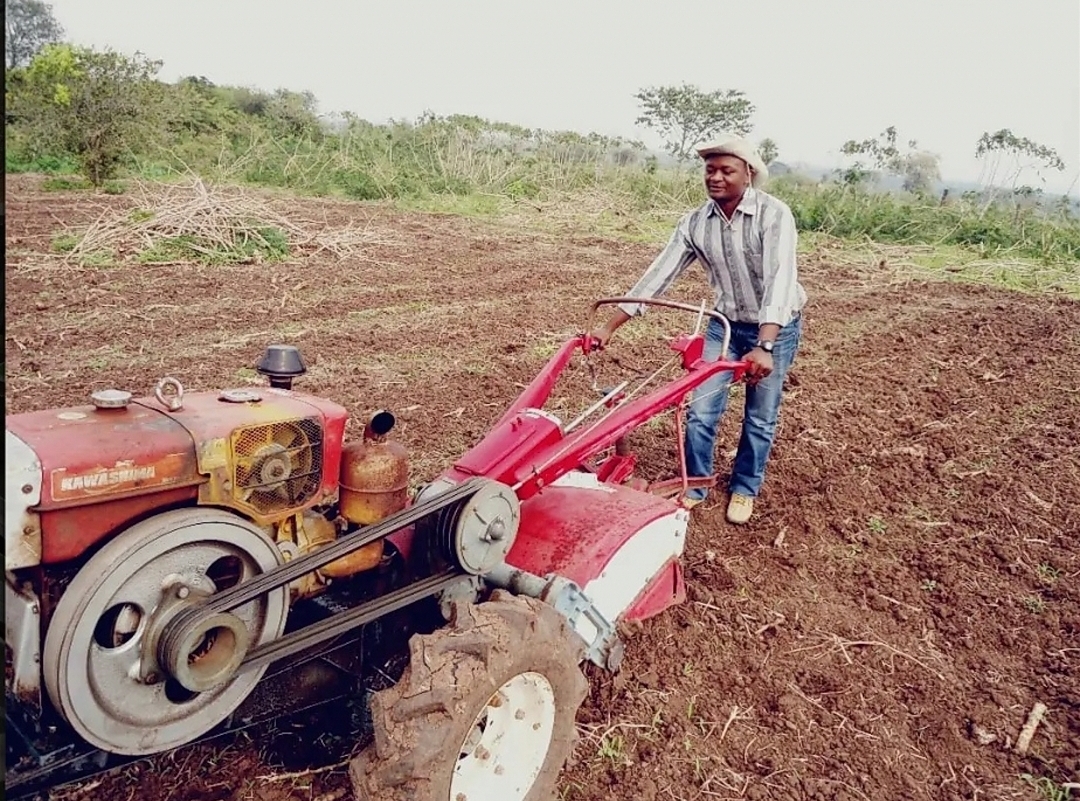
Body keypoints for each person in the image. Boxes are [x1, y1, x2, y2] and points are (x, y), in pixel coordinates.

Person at [591, 135, 806, 525]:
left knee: (759, 415)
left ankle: (744, 488)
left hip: (775, 327)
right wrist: (610, 326)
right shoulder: (694, 223)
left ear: (749, 174)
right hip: (724, 325)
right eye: (710, 170)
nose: (717, 178)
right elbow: (658, 276)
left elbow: (780, 281)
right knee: (700, 409)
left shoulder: (774, 215)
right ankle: (697, 484)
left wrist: (766, 345)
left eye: (727, 170)